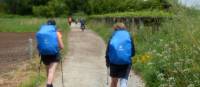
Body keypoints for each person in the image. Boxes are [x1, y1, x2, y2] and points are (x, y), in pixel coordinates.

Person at [105, 23, 135, 87]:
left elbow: (108, 52)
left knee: (114, 82)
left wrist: (107, 63)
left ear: (115, 29)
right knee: (123, 82)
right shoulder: (129, 36)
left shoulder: (112, 36)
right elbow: (133, 52)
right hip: (126, 63)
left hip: (114, 63)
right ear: (124, 28)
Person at [36, 19, 64, 87]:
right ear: (54, 25)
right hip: (54, 54)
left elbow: (38, 46)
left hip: (44, 55)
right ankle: (48, 85)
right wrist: (56, 49)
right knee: (51, 71)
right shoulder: (56, 33)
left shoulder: (42, 32)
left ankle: (50, 84)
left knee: (48, 71)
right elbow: (62, 46)